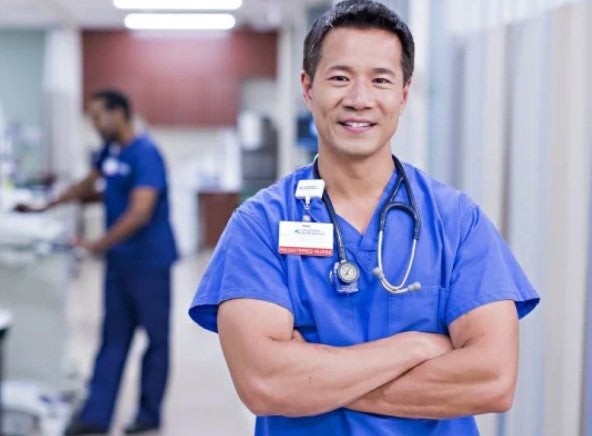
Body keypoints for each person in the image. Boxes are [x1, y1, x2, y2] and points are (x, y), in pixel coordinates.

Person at [188, 1, 539, 435]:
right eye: (339, 77)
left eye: (380, 80)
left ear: (404, 94)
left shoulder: (456, 222)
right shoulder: (259, 225)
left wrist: (316, 380)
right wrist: (416, 347)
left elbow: (493, 380)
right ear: (308, 87)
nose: (359, 99)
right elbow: (265, 382)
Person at [18, 89, 177, 435]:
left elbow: (141, 211)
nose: (94, 123)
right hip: (120, 263)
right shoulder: (111, 151)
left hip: (149, 262)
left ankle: (149, 414)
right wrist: (45, 205)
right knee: (113, 338)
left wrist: (96, 244)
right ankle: (96, 418)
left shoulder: (146, 153)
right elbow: (88, 186)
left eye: (97, 116)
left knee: (155, 341)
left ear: (119, 113)